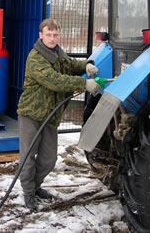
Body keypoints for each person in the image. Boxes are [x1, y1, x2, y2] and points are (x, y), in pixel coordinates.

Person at [17, 18, 100, 210]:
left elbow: (70, 65)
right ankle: (29, 193)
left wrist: (87, 65)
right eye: (48, 35)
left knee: (49, 159)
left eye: (55, 35)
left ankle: (36, 187)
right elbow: (54, 80)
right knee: (28, 157)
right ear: (41, 35)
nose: (52, 38)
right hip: (32, 114)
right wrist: (83, 84)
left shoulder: (58, 53)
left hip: (51, 115)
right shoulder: (35, 57)